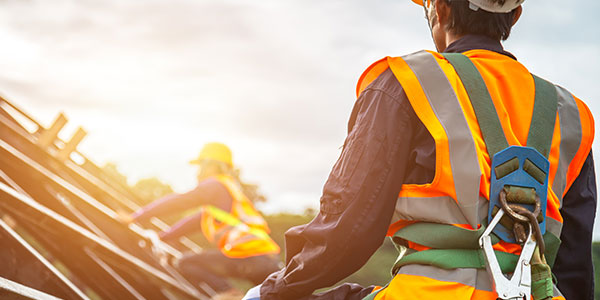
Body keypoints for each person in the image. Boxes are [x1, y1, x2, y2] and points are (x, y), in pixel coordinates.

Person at [244, 0, 596, 299]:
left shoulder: (406, 82)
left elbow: (348, 229)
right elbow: (574, 263)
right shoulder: (572, 114)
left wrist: (273, 290)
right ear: (514, 16)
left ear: (439, 10)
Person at [129, 142, 281, 293]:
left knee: (186, 263)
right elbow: (189, 224)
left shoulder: (215, 185)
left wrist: (136, 217)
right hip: (268, 260)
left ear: (211, 165)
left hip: (249, 258)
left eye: (200, 166)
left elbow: (179, 201)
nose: (198, 172)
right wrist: (161, 238)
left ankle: (229, 294)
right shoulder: (224, 198)